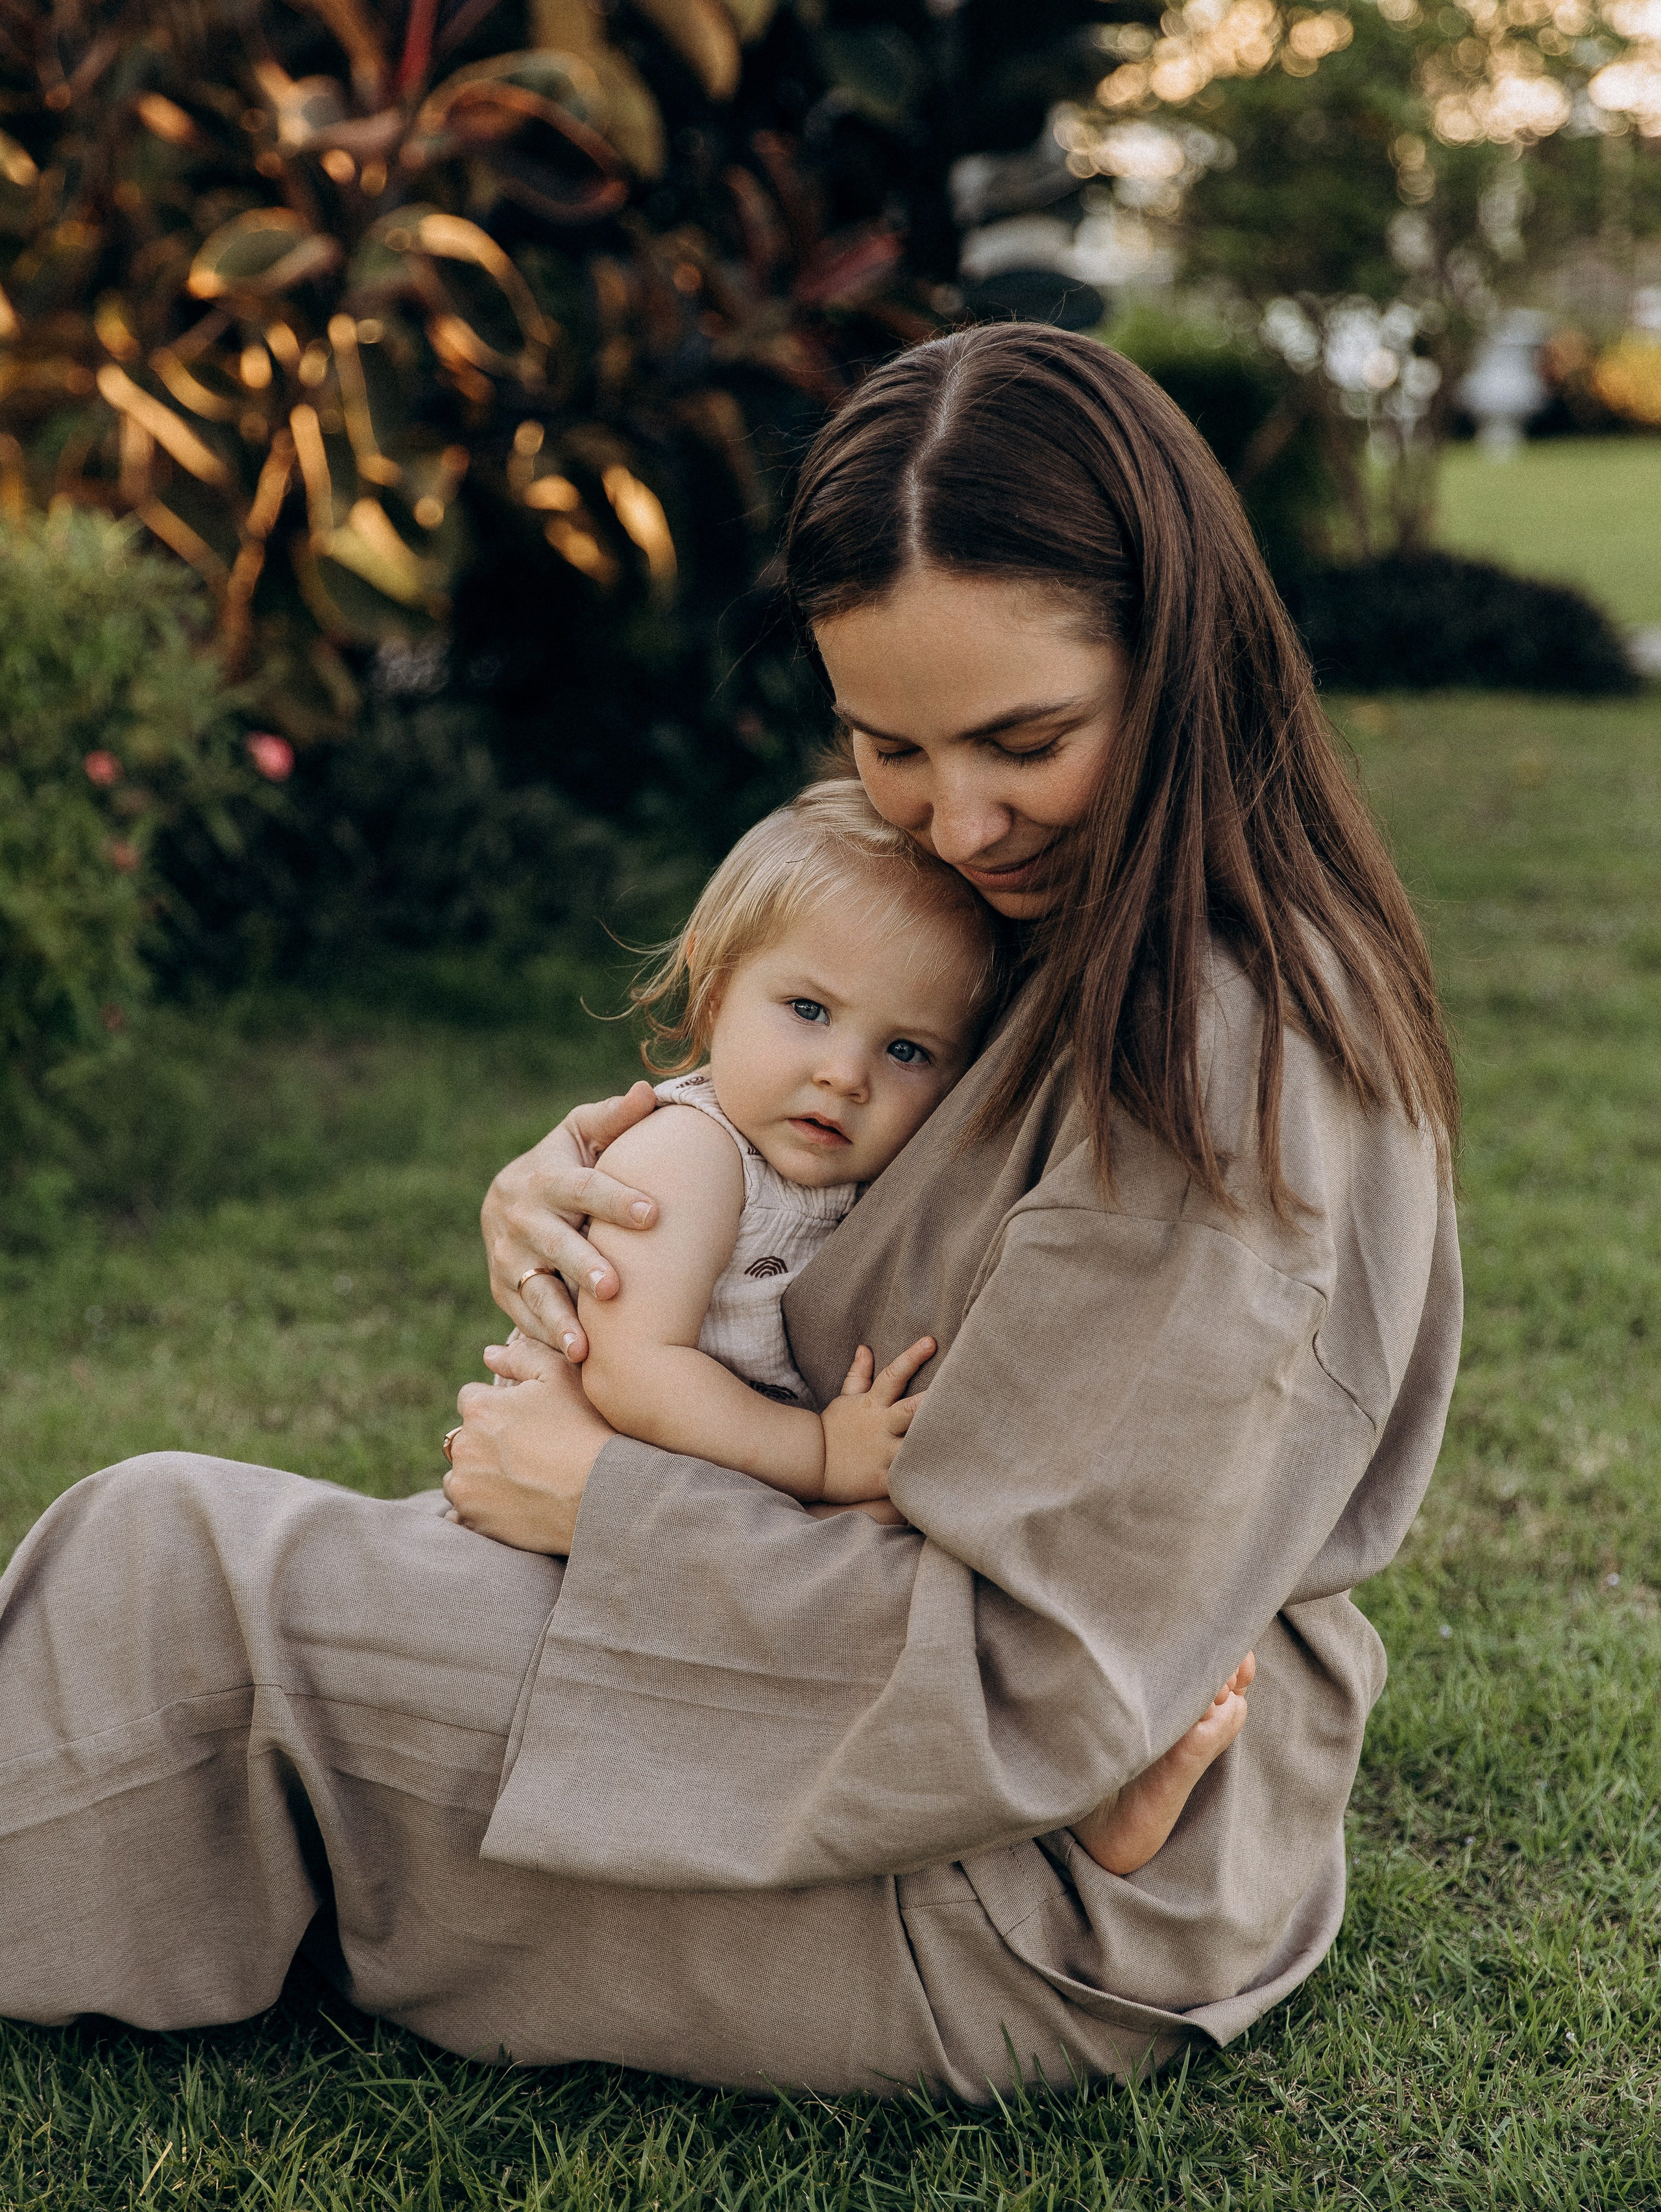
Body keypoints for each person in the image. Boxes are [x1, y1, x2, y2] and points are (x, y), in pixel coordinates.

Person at [0, 324, 1460, 2101]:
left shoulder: (1227, 1066)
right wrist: (603, 1187)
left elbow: (1043, 1676)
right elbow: (838, 1139)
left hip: (1017, 1893)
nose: (959, 823)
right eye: (887, 744)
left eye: (1025, 740)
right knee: (199, 1573)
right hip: (885, 1746)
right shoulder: (1084, 909)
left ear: (1180, 657)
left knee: (175, 1577)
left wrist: (607, 1501)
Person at [539, 773, 1256, 1875]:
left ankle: (1094, 1777)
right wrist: (820, 1454)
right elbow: (633, 1370)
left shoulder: (844, 1176)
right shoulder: (688, 1154)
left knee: (924, 1578)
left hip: (733, 1500)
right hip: (629, 1500)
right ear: (714, 994)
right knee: (871, 1586)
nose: (845, 1074)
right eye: (808, 1010)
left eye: (907, 1052)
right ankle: (1080, 1788)